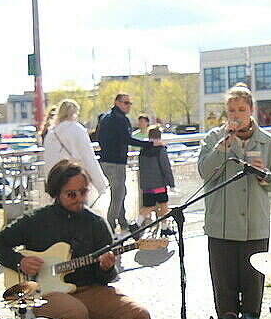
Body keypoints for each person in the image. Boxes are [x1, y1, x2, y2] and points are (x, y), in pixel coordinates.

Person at [0, 159, 151, 319]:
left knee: (139, 316)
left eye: (83, 192)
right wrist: (20, 261)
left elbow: (107, 277)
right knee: (75, 313)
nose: (79, 198)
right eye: (71, 194)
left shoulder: (96, 223)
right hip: (46, 292)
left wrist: (106, 267)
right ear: (57, 192)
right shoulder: (36, 220)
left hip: (89, 290)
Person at [198, 84, 271, 319]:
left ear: (251, 110)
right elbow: (205, 172)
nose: (236, 114)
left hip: (254, 230)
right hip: (222, 230)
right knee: (224, 298)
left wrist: (265, 175)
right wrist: (222, 149)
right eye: (231, 110)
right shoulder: (214, 139)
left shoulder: (268, 142)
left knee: (252, 298)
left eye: (241, 109)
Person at [39, 99, 108, 203]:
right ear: (75, 113)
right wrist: (101, 185)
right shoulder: (77, 130)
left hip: (57, 182)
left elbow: (48, 161)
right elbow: (89, 158)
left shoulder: (51, 134)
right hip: (75, 180)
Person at [95, 92, 147, 232]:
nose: (128, 106)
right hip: (116, 162)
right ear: (117, 103)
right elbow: (127, 139)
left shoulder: (105, 118)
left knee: (120, 192)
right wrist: (148, 144)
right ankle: (109, 227)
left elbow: (98, 137)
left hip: (105, 161)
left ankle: (122, 220)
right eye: (126, 103)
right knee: (118, 196)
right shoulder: (120, 119)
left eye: (129, 103)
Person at [135, 124, 176, 233]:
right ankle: (164, 228)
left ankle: (136, 223)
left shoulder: (143, 150)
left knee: (149, 205)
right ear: (159, 136)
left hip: (147, 185)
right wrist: (171, 184)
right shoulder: (160, 150)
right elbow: (166, 167)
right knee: (163, 204)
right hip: (159, 184)